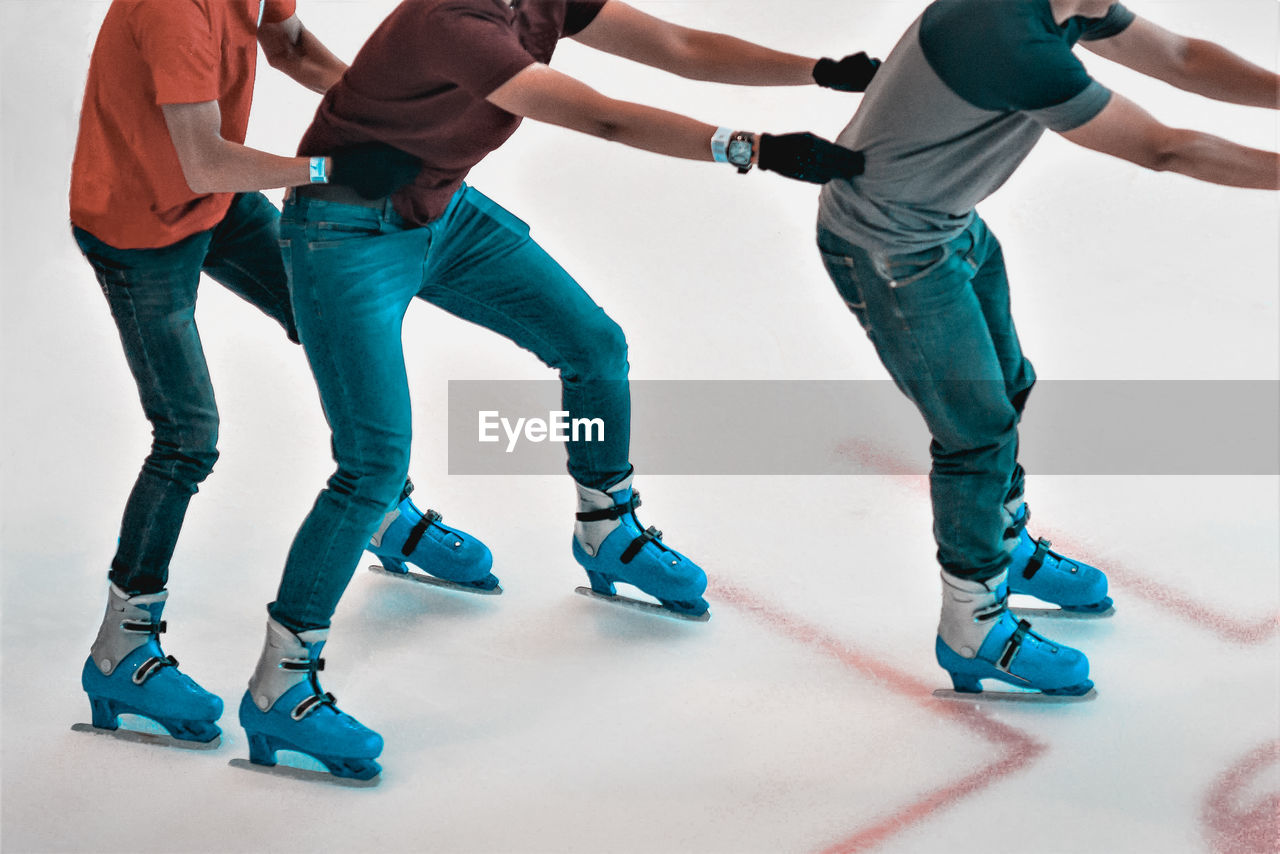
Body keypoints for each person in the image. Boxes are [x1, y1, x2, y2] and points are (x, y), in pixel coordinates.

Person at [246, 0, 878, 781]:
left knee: (592, 345)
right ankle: (281, 682)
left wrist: (816, 73)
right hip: (343, 233)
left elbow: (677, 45)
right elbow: (602, 120)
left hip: (441, 213)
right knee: (371, 460)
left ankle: (605, 529)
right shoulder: (453, 23)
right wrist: (752, 148)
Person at [815, 0, 1278, 698]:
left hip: (944, 225)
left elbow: (1182, 58)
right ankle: (971, 625)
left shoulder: (1061, 7)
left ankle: (999, 542)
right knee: (977, 434)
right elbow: (1163, 147)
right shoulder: (1007, 38)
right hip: (889, 249)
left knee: (1010, 384)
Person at [72, 0, 420, 751]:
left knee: (329, 321)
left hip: (216, 202)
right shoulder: (174, 12)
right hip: (140, 227)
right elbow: (204, 157)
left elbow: (286, 41)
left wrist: (381, 111)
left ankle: (377, 504)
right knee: (187, 437)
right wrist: (330, 167)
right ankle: (118, 651)